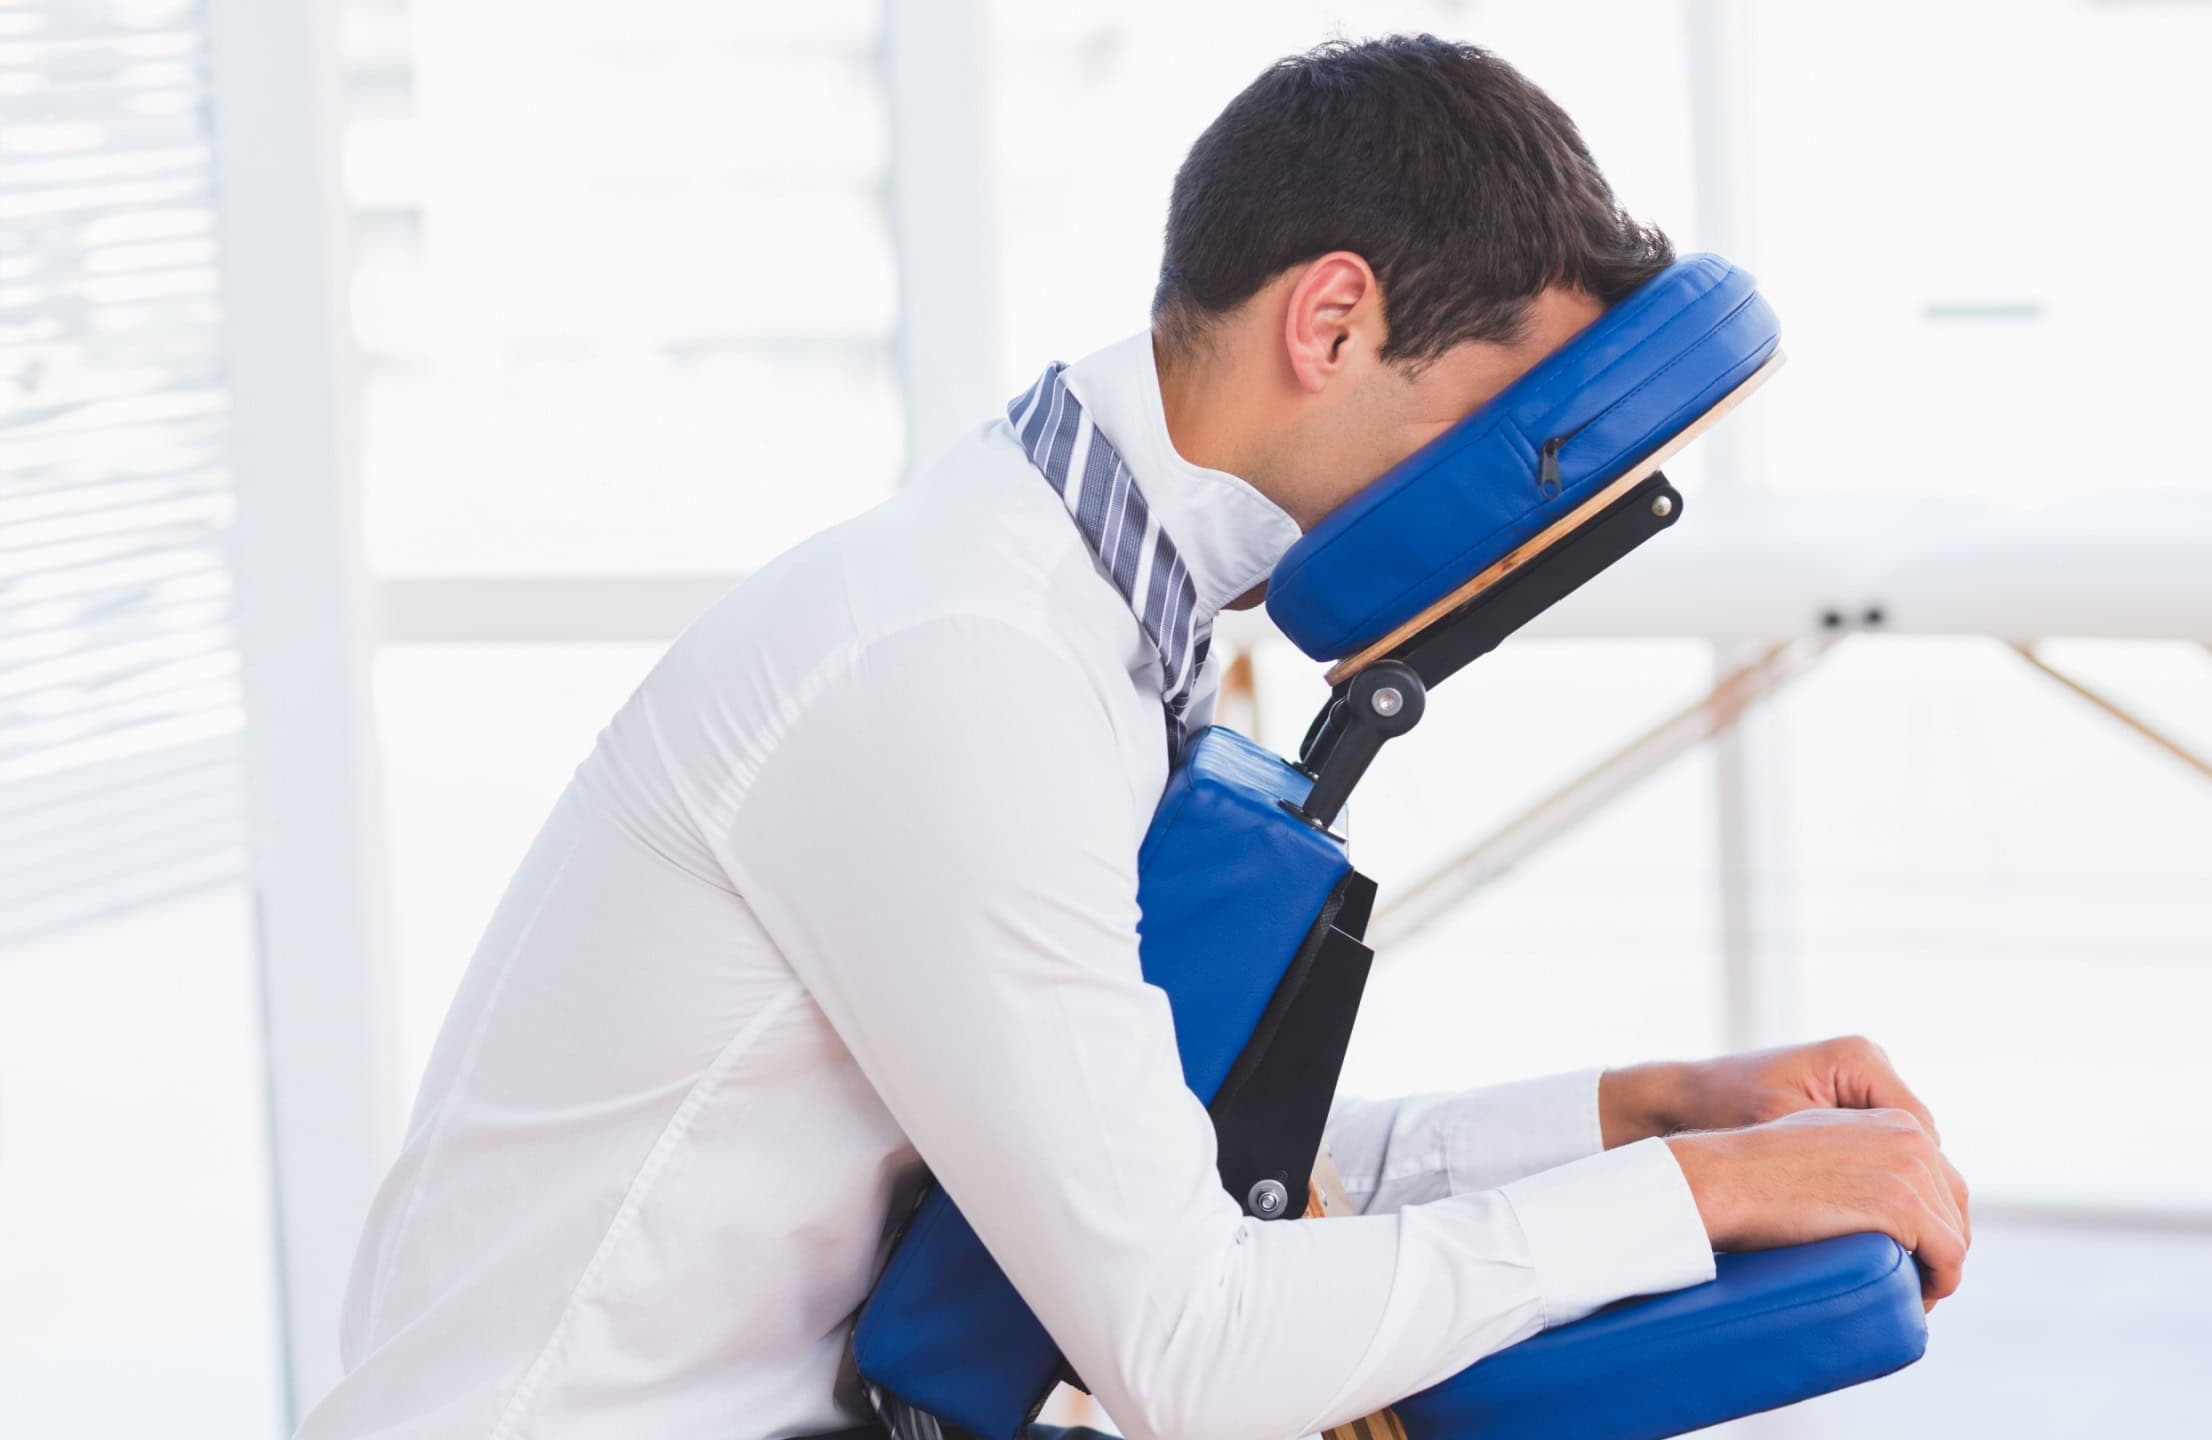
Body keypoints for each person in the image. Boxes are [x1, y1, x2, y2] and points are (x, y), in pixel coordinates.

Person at [298, 35, 1969, 1440]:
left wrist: (1653, 1114)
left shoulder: (1087, 616)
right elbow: (1194, 1343)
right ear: (1331, 322)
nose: (1501, 503)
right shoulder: (966, 665)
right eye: (1503, 421)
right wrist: (1706, 1198)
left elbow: (1161, 1176)